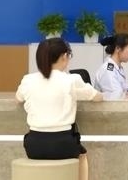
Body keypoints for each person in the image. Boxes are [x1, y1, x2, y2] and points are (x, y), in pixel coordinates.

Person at [16, 38, 103, 180]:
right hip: (63, 144)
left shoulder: (28, 80)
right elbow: (97, 96)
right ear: (64, 56)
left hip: (34, 145)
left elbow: (18, 98)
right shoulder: (72, 79)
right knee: (82, 155)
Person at [93, 33, 128, 99]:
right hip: (110, 105)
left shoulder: (118, 68)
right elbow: (116, 96)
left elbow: (123, 88)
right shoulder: (108, 70)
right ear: (118, 48)